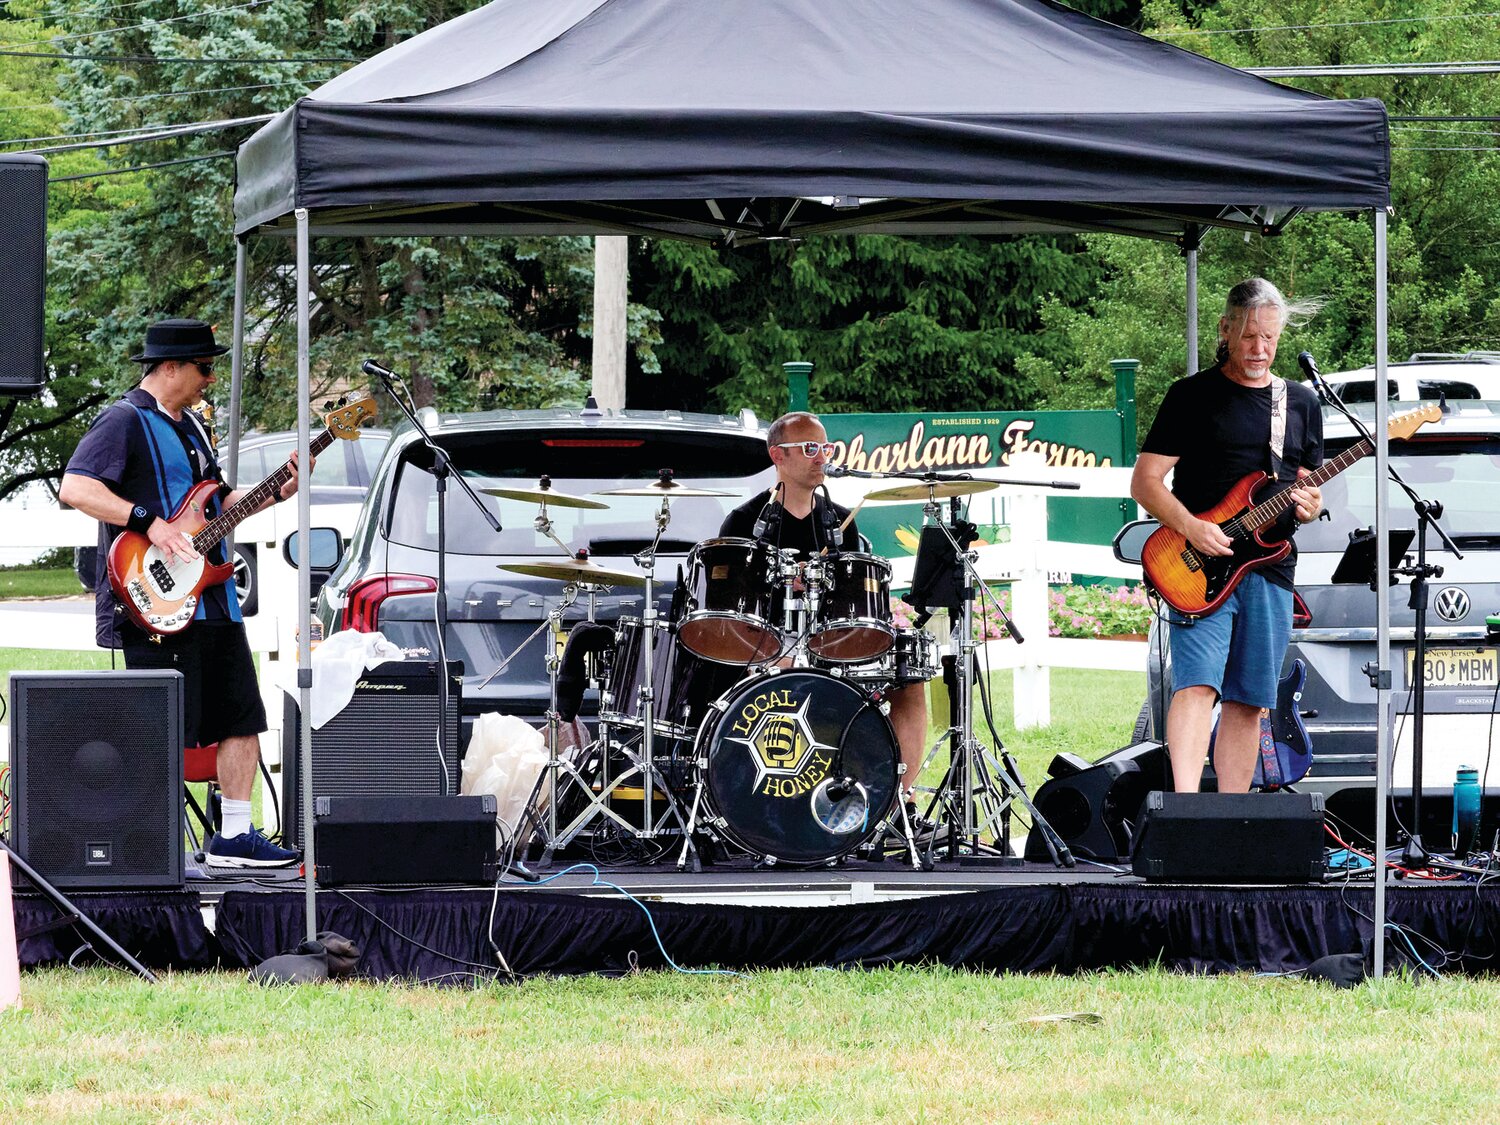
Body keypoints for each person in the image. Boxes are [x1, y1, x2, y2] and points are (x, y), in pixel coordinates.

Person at [59, 318, 308, 868]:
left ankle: (234, 838)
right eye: (204, 367)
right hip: (155, 602)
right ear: (169, 366)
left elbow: (215, 504)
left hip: (214, 599)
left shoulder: (193, 427)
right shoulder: (123, 421)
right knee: (157, 729)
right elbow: (75, 487)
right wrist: (148, 522)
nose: (210, 378)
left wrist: (278, 489)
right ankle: (148, 842)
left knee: (242, 717)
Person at [1129, 278, 1325, 794]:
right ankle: (1187, 813)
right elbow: (1145, 483)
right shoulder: (1191, 397)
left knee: (1251, 699)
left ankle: (1231, 817)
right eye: (1248, 337)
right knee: (1196, 687)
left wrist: (1309, 505)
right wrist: (1191, 525)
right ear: (1225, 330)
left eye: (1270, 338)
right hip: (1197, 565)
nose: (1259, 349)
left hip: (1271, 568)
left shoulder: (1300, 402)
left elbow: (1305, 488)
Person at [720, 411, 931, 810]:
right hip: (766, 645)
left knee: (910, 679)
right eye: (810, 448)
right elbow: (731, 608)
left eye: (826, 448)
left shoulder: (839, 521)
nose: (822, 458)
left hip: (831, 643)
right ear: (778, 456)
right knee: (775, 667)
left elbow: (851, 597)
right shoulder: (746, 520)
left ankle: (896, 804)